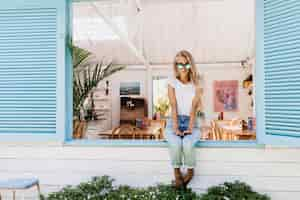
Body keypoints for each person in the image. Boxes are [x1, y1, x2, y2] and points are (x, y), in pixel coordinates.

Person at [166, 50, 202, 189]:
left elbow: (194, 107)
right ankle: (177, 174)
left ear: (190, 65)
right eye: (180, 65)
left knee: (187, 143)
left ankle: (190, 172)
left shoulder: (197, 83)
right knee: (175, 143)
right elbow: (173, 105)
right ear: (176, 66)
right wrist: (175, 127)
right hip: (173, 121)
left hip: (191, 121)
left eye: (186, 64)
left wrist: (190, 127)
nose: (183, 68)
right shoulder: (171, 82)